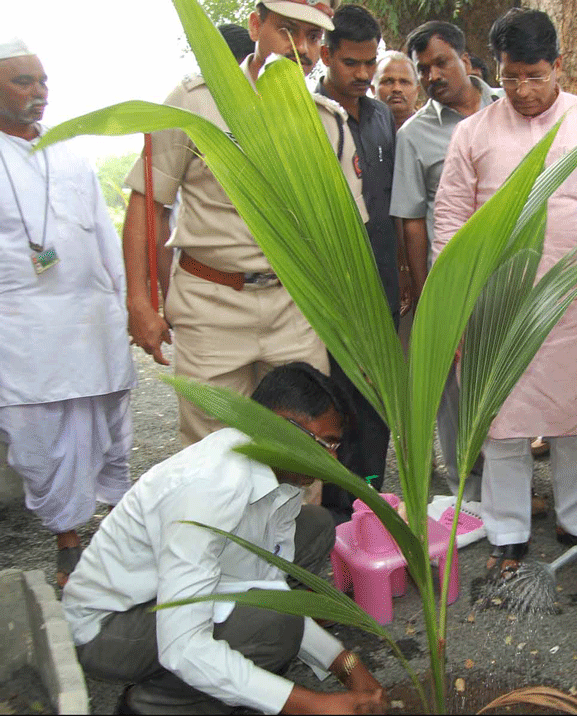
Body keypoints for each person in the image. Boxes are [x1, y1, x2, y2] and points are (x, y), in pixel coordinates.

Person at [62, 363, 386, 715]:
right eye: (326, 444)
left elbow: (267, 587)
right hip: (109, 628)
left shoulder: (282, 476)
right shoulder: (209, 488)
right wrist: (309, 705)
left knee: (316, 526)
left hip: (171, 597)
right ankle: (157, 703)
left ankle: (246, 661)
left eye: (335, 444)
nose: (334, 460)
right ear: (280, 427)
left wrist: (346, 663)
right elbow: (183, 645)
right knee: (276, 628)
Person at [122, 0, 367, 447]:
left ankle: (296, 523)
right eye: (289, 31)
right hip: (212, 302)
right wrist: (141, 302)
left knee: (301, 448)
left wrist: (350, 321)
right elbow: (147, 204)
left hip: (295, 306)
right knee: (211, 450)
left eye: (314, 38)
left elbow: (347, 236)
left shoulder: (327, 124)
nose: (304, 50)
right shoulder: (194, 103)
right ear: (256, 25)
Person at [434, 8, 577, 574]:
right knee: (501, 425)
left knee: (576, 424)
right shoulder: (473, 133)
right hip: (497, 309)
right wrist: (455, 310)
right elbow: (451, 224)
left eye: (535, 76)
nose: (523, 89)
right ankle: (507, 531)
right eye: (511, 77)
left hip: (574, 302)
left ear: (559, 65)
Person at [0, 38, 135, 587]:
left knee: (106, 429)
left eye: (43, 81)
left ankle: (118, 536)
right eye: (23, 82)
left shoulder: (70, 150)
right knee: (39, 442)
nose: (40, 93)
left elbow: (104, 233)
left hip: (92, 319)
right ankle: (67, 541)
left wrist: (125, 304)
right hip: (23, 327)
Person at [390, 21, 501, 503]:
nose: (432, 75)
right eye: (423, 69)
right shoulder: (414, 136)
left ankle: (507, 484)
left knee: (507, 377)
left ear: (466, 60)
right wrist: (428, 286)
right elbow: (412, 219)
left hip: (515, 273)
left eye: (440, 62)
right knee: (454, 388)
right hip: (452, 280)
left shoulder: (511, 106)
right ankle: (467, 491)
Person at [316, 3, 399, 520]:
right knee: (333, 405)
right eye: (352, 63)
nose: (365, 75)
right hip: (329, 295)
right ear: (325, 55)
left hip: (382, 290)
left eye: (371, 63)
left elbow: (392, 205)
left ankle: (370, 503)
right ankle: (332, 513)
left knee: (376, 406)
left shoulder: (382, 116)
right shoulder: (303, 119)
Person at [374, 50, 419, 131]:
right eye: (388, 82)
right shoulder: (359, 130)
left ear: (417, 90)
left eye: (404, 82)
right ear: (373, 89)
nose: (396, 89)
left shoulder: (432, 130)